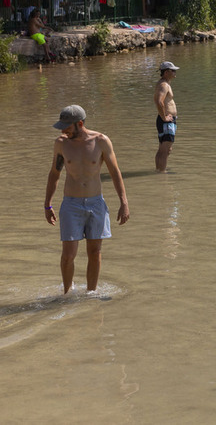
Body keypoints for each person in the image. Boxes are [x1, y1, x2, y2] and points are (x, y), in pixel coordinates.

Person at [45, 105, 129, 293]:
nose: (63, 130)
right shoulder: (61, 143)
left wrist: (124, 203)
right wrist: (47, 204)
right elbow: (54, 174)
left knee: (95, 252)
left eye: (67, 126)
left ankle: (91, 293)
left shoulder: (101, 141)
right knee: (68, 255)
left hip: (96, 203)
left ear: (80, 124)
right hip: (71, 204)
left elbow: (115, 173)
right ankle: (67, 294)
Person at [154, 61, 179, 172]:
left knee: (163, 150)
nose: (175, 72)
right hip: (166, 121)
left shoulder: (163, 83)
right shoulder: (164, 85)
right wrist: (164, 117)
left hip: (166, 121)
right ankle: (162, 175)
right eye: (173, 70)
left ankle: (159, 170)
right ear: (167, 72)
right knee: (165, 150)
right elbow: (159, 101)